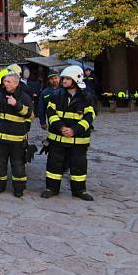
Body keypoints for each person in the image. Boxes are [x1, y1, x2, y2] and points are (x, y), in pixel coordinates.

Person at [42, 66, 97, 201]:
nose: (64, 80)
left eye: (67, 78)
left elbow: (90, 117)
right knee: (54, 165)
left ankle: (79, 191)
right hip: (58, 139)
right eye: (64, 78)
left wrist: (74, 130)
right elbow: (51, 113)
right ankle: (52, 188)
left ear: (75, 80)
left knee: (78, 166)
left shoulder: (87, 97)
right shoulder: (56, 95)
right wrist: (61, 128)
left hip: (78, 141)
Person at [0, 71, 33, 198]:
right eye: (5, 81)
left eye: (8, 82)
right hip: (0, 138)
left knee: (18, 165)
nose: (5, 84)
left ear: (16, 84)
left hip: (17, 140)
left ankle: (18, 189)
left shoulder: (24, 97)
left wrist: (16, 104)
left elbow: (29, 114)